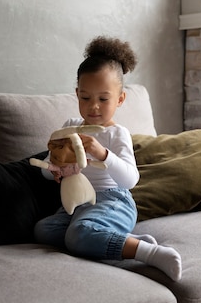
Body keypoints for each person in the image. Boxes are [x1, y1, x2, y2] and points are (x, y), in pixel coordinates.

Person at [34, 36, 183, 282]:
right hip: (77, 203)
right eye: (85, 98)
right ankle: (120, 239)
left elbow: (130, 179)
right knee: (43, 230)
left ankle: (149, 252)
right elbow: (46, 169)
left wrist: (102, 153)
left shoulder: (116, 133)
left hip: (113, 201)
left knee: (76, 235)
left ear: (120, 99)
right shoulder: (70, 126)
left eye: (103, 99)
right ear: (77, 95)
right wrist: (55, 169)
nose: (93, 107)